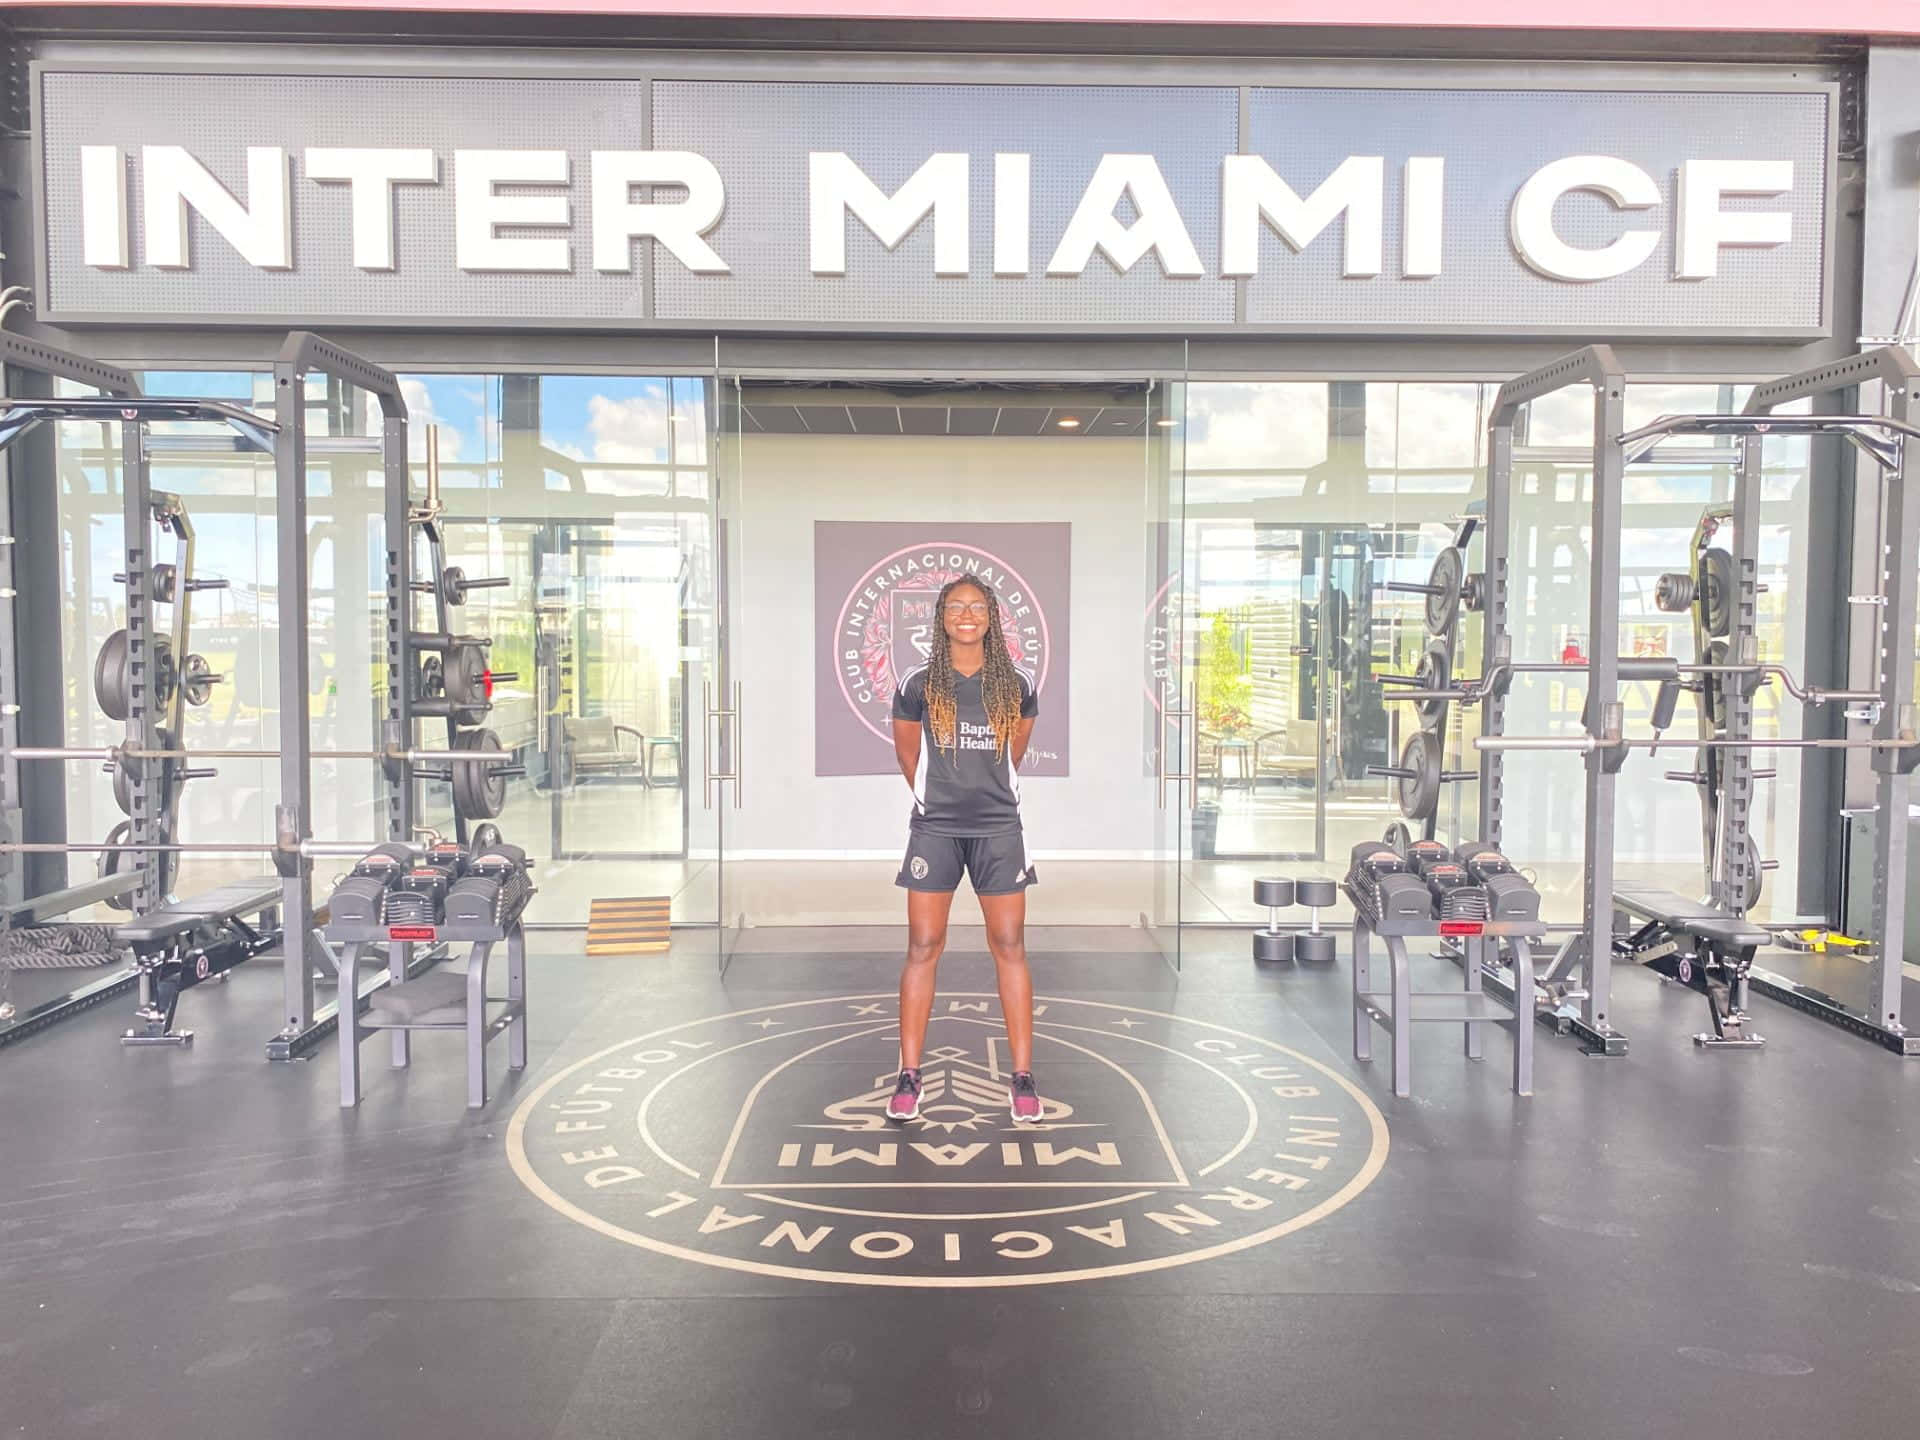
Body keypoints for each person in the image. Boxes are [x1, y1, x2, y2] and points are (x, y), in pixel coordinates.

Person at [885, 576, 1042, 1125]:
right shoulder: (917, 682)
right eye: (957, 607)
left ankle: (1022, 1077)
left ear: (992, 616)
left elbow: (1013, 753)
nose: (967, 615)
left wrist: (983, 794)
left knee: (1008, 942)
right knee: (923, 945)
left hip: (1000, 827)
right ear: (941, 617)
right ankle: (908, 1074)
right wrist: (942, 799)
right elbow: (908, 757)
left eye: (977, 607)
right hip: (936, 828)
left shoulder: (1017, 683)